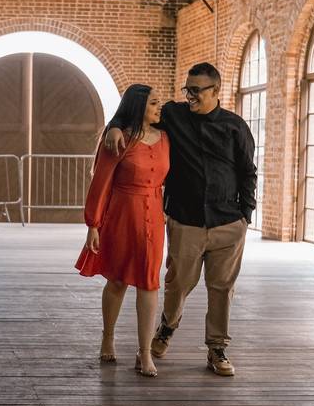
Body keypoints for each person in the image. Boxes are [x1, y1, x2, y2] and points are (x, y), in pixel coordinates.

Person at [108, 63, 256, 377]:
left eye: (196, 90)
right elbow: (134, 109)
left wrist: (246, 214)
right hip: (185, 220)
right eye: (187, 89)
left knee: (221, 288)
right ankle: (166, 328)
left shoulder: (236, 127)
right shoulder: (173, 116)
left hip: (228, 222)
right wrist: (115, 127)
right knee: (178, 284)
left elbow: (247, 172)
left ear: (216, 91)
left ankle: (217, 348)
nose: (189, 95)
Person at [76, 84, 169, 377]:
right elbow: (101, 182)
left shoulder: (166, 137)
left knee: (150, 282)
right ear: (139, 106)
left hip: (154, 215)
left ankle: (144, 353)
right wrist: (93, 224)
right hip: (121, 214)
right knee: (117, 281)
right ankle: (108, 337)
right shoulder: (119, 139)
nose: (159, 108)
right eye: (154, 103)